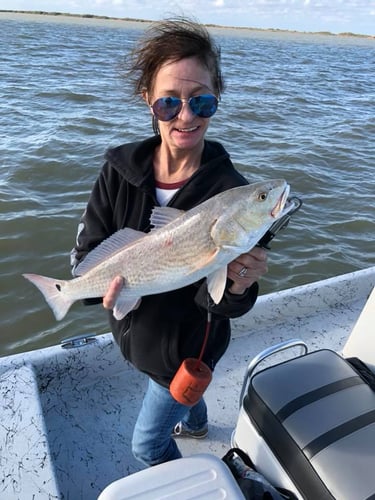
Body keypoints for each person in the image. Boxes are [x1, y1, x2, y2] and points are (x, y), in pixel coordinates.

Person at [71, 17, 268, 467]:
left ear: (217, 98)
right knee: (181, 400)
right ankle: (196, 419)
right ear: (148, 102)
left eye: (201, 101)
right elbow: (85, 255)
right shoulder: (117, 171)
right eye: (168, 103)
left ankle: (196, 478)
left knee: (148, 446)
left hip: (185, 352)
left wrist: (240, 286)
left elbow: (224, 302)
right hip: (134, 337)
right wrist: (90, 288)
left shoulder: (236, 199)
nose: (186, 116)